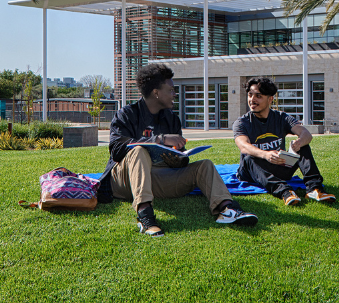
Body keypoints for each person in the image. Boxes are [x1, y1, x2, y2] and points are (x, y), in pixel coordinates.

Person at [100, 63, 257, 235]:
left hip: (157, 179)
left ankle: (227, 209)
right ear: (156, 93)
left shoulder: (172, 119)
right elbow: (116, 149)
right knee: (138, 150)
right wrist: (160, 139)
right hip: (124, 182)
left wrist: (179, 159)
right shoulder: (127, 114)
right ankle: (145, 217)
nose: (175, 94)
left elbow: (180, 158)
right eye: (171, 90)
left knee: (204, 165)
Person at [233, 77, 336, 206]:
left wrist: (299, 143)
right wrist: (265, 154)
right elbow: (244, 146)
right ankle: (285, 192)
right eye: (250, 95)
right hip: (252, 172)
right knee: (249, 158)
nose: (252, 100)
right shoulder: (242, 122)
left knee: (303, 147)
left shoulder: (282, 118)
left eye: (258, 96)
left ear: (270, 99)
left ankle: (314, 189)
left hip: (278, 166)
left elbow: (306, 134)